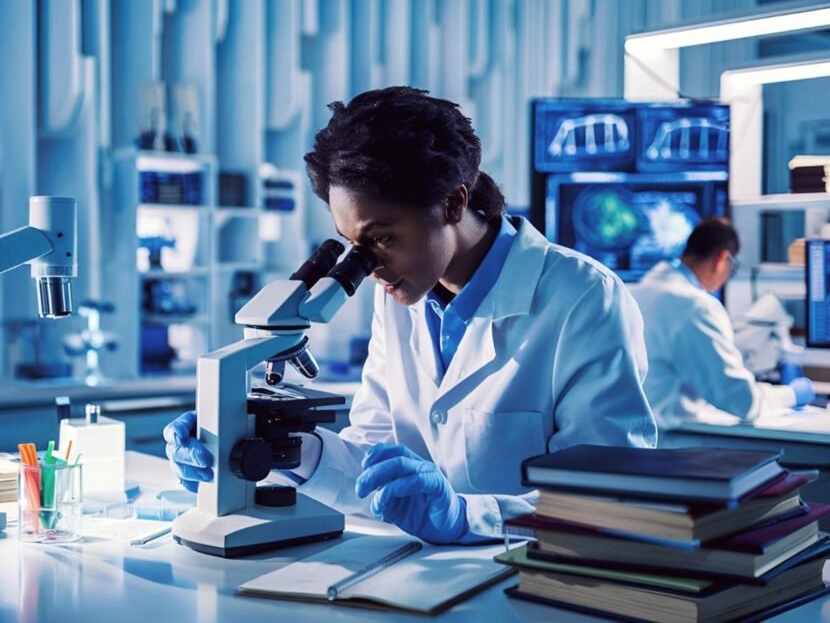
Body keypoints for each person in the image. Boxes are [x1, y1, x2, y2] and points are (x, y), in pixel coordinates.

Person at [164, 86, 657, 545]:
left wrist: (466, 517)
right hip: (420, 586)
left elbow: (609, 500)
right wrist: (283, 451)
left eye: (382, 239)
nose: (369, 267)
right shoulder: (400, 296)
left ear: (453, 202)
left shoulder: (585, 298)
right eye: (354, 245)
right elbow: (375, 459)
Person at [631, 217, 815, 429]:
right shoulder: (696, 306)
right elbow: (741, 401)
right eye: (732, 268)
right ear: (722, 258)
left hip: (639, 439)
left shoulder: (636, 292)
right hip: (673, 442)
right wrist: (793, 394)